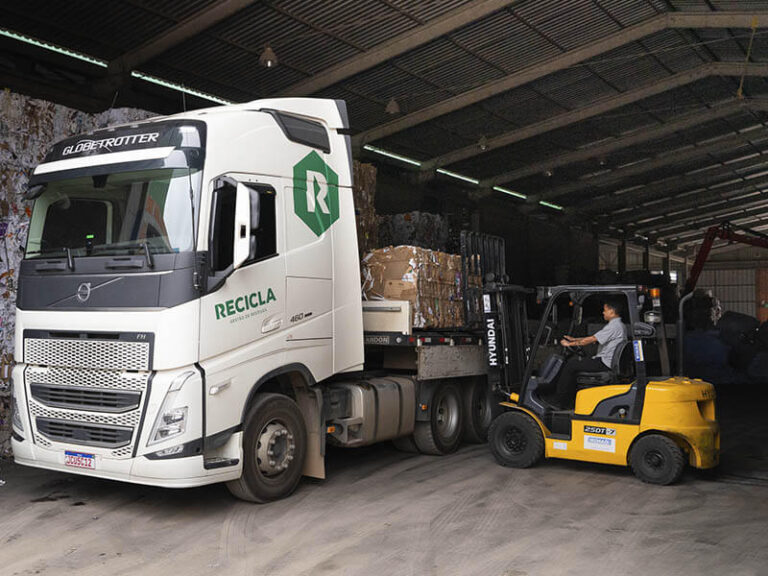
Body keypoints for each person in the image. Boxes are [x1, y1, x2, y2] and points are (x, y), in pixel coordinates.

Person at [549, 298, 627, 408]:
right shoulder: (619, 325)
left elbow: (590, 340)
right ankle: (569, 400)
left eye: (605, 310)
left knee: (570, 365)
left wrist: (569, 344)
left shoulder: (614, 326)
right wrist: (574, 339)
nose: (603, 312)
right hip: (605, 361)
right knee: (574, 365)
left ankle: (560, 401)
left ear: (611, 311)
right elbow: (592, 338)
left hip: (604, 362)